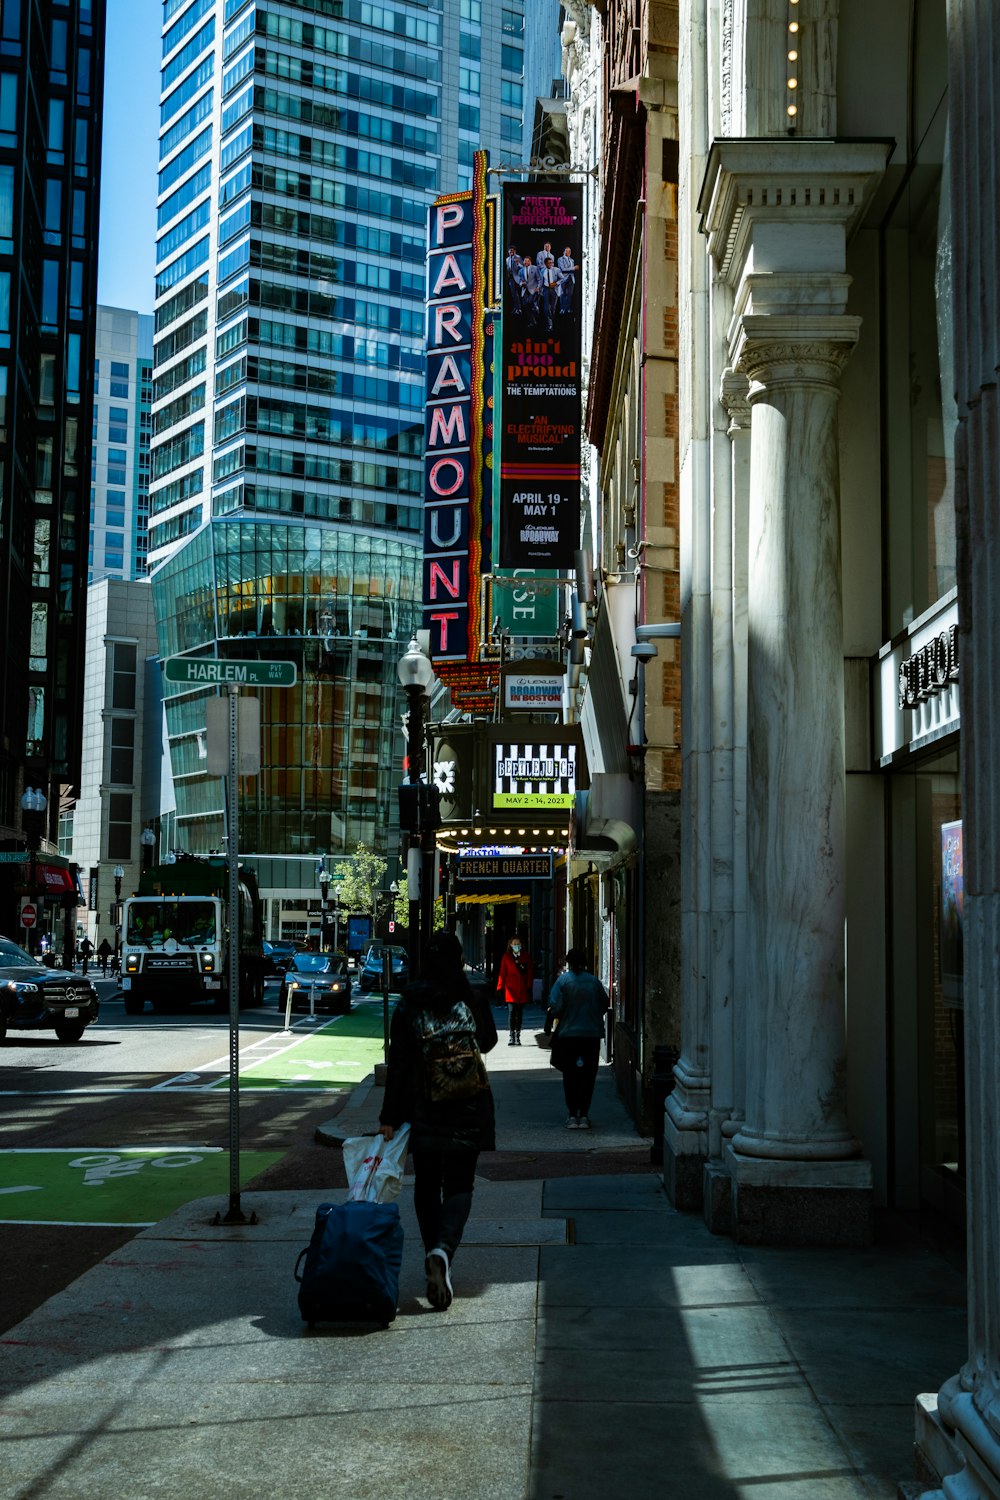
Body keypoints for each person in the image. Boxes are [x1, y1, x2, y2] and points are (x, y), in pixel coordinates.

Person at [378, 931, 497, 1312]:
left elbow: (397, 1063)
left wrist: (389, 1118)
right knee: (461, 1183)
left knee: (427, 1183)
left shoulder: (408, 1003)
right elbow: (490, 1040)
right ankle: (444, 1252)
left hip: (423, 1104)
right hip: (468, 1101)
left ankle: (432, 1248)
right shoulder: (472, 994)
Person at [548, 948, 610, 1130]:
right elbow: (604, 1004)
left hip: (569, 1035)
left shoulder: (563, 981)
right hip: (590, 1035)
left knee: (571, 1075)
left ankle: (572, 1114)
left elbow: (555, 1007)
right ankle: (584, 1114)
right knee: (588, 1076)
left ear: (568, 962)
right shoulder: (593, 981)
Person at [496, 934, 533, 1045]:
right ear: (511, 945)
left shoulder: (526, 956)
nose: (516, 946)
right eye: (514, 944)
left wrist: (529, 986)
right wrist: (500, 987)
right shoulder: (506, 957)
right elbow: (502, 973)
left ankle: (518, 1036)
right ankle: (512, 1036)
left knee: (520, 1013)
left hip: (522, 989)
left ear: (521, 945)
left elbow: (530, 972)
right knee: (512, 1012)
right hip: (511, 989)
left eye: (518, 944)